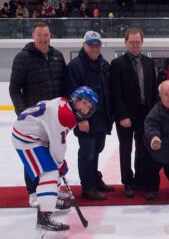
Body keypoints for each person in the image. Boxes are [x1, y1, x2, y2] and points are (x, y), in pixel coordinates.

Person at [12, 86, 98, 231]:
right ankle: (44, 217)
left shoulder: (65, 104)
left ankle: (50, 199)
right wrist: (60, 163)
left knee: (53, 170)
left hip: (34, 133)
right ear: (75, 99)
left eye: (89, 107)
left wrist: (59, 163)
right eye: (84, 103)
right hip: (27, 138)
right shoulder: (66, 115)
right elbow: (58, 146)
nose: (85, 109)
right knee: (50, 173)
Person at [9, 21, 68, 208]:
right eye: (39, 35)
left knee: (53, 154)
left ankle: (52, 189)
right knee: (33, 155)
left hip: (55, 119)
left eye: (46, 35)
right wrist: (23, 113)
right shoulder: (23, 58)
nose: (43, 39)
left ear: (51, 36)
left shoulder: (58, 56)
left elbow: (63, 86)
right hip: (34, 121)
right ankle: (33, 191)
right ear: (33, 36)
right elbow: (14, 89)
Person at [66, 31, 114, 201]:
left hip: (102, 118)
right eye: (91, 45)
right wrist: (80, 119)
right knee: (87, 153)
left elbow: (109, 91)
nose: (94, 48)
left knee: (97, 151)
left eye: (97, 45)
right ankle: (88, 188)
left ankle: (95, 180)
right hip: (86, 121)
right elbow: (71, 95)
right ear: (84, 45)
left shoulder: (104, 65)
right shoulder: (75, 66)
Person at [110, 28, 158, 198]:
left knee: (143, 149)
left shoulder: (149, 62)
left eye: (138, 42)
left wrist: (154, 114)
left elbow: (153, 89)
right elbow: (115, 93)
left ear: (142, 43)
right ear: (126, 43)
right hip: (126, 116)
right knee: (126, 149)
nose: (135, 45)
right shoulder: (117, 64)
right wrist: (122, 116)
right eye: (132, 42)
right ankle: (128, 182)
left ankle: (140, 179)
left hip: (146, 114)